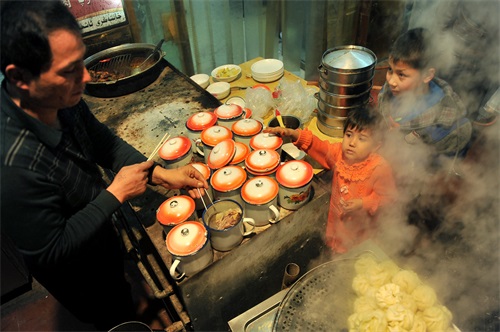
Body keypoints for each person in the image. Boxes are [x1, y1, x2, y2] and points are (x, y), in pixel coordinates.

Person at [0, 1, 208, 330]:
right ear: (19, 77)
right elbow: (51, 250)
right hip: (75, 270)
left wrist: (163, 175)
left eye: (81, 61)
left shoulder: (58, 96)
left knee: (121, 283)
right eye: (69, 70)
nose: (84, 77)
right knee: (111, 312)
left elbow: (102, 141)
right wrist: (116, 194)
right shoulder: (11, 166)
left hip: (99, 230)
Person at [376, 28, 473, 253]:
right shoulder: (395, 93)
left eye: (402, 75)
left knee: (415, 225)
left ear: (427, 75)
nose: (391, 81)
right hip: (392, 174)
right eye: (390, 71)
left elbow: (438, 174)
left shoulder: (444, 121)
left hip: (419, 187)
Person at [264, 108, 397, 253]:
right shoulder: (340, 154)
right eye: (348, 135)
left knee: (354, 258)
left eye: (362, 139)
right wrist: (293, 133)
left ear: (376, 145)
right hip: (337, 223)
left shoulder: (379, 168)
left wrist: (363, 203)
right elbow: (320, 147)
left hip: (360, 230)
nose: (352, 143)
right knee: (335, 248)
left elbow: (389, 198)